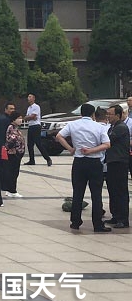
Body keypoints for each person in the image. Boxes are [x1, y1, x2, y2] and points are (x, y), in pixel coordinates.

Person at [57, 103, 112, 232]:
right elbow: (107, 144)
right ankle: (97, 224)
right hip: (94, 162)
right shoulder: (99, 126)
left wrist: (70, 149)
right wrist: (91, 150)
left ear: (81, 113)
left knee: (78, 193)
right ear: (93, 114)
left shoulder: (73, 124)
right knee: (96, 194)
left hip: (79, 162)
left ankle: (75, 222)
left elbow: (59, 136)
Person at [104, 104, 131, 228]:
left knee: (120, 191)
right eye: (107, 114)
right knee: (112, 189)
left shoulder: (121, 128)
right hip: (112, 162)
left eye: (110, 114)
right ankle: (115, 215)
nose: (108, 116)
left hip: (119, 162)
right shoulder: (112, 127)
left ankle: (123, 219)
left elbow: (108, 140)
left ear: (118, 115)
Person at [23, 93, 51, 166]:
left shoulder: (36, 107)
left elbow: (33, 116)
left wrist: (30, 117)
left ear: (33, 98)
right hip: (30, 126)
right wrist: (29, 117)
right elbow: (26, 118)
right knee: (30, 144)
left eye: (30, 97)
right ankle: (31, 160)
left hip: (36, 126)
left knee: (38, 144)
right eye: (28, 97)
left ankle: (48, 158)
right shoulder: (29, 108)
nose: (28, 98)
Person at [3, 111, 26, 198]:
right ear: (13, 119)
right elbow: (11, 140)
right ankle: (12, 190)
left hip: (17, 153)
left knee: (13, 172)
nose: (20, 120)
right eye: (18, 118)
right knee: (13, 172)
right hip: (14, 153)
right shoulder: (11, 128)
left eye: (21, 118)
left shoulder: (15, 128)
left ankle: (10, 189)